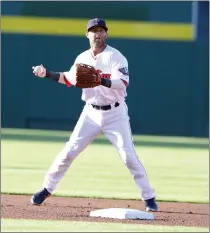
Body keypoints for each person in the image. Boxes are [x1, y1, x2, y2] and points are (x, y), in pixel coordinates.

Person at [31, 18, 158, 212]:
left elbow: (123, 83)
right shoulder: (82, 58)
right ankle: (47, 188)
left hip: (115, 113)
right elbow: (68, 78)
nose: (97, 34)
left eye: (101, 30)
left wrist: (101, 81)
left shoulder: (116, 57)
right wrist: (46, 73)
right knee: (69, 152)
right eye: (93, 30)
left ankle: (149, 197)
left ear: (106, 34)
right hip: (90, 112)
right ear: (87, 34)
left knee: (128, 156)